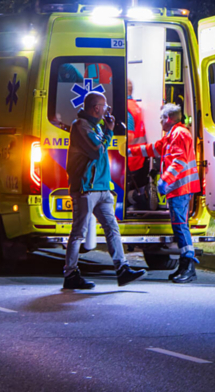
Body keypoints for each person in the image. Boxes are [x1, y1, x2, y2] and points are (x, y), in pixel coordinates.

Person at [62, 92, 146, 290]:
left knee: (112, 228)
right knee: (78, 232)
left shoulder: (95, 126)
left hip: (101, 187)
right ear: (96, 108)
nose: (108, 109)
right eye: (104, 105)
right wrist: (108, 132)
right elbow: (96, 151)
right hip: (86, 188)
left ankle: (122, 268)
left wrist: (106, 130)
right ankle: (70, 273)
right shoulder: (81, 126)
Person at [130, 103, 201, 282]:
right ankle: (184, 266)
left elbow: (179, 161)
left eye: (161, 118)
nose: (160, 122)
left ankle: (188, 266)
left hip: (180, 188)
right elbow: (153, 149)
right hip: (177, 188)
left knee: (180, 226)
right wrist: (129, 151)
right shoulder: (172, 135)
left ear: (168, 119)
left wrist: (164, 180)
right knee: (179, 226)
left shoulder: (180, 134)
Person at [126, 79, 150, 208]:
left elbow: (129, 135)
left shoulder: (127, 109)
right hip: (137, 156)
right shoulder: (134, 106)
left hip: (130, 157)